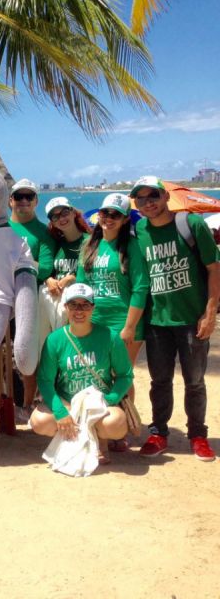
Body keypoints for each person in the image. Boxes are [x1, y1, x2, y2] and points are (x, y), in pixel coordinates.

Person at [131, 176, 220, 461]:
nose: (148, 203)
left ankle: (198, 435)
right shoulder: (139, 231)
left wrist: (210, 313)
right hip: (157, 322)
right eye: (141, 198)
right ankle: (159, 433)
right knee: (159, 381)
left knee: (195, 381)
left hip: (192, 319)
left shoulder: (190, 224)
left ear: (166, 197)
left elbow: (214, 269)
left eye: (153, 196)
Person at [0, 179, 55, 444]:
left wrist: (18, 264)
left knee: (24, 357)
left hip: (27, 302)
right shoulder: (0, 229)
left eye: (29, 197)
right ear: (10, 201)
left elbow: (45, 268)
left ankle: (24, 404)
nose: (23, 201)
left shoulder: (44, 233)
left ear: (36, 201)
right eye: (19, 197)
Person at [31, 284, 132, 465]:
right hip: (68, 402)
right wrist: (60, 410)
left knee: (115, 424)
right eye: (73, 305)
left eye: (85, 305)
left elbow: (125, 375)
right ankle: (71, 441)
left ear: (93, 307)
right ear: (65, 307)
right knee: (39, 421)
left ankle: (100, 440)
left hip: (98, 403)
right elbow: (45, 380)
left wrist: (109, 400)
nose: (79, 310)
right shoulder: (55, 340)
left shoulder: (110, 337)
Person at [76, 193, 149, 405]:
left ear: (125, 219)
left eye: (115, 215)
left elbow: (140, 288)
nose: (108, 218)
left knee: (122, 375)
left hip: (124, 321)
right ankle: (105, 419)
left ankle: (126, 421)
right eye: (105, 213)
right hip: (95, 320)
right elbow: (82, 286)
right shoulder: (89, 244)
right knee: (98, 373)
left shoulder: (132, 246)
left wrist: (129, 327)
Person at [38, 197, 91, 346]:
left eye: (64, 212)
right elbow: (47, 268)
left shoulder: (89, 241)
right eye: (55, 217)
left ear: (73, 213)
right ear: (52, 222)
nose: (61, 218)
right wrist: (48, 279)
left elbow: (93, 271)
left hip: (76, 301)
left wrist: (70, 278)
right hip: (54, 298)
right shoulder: (56, 243)